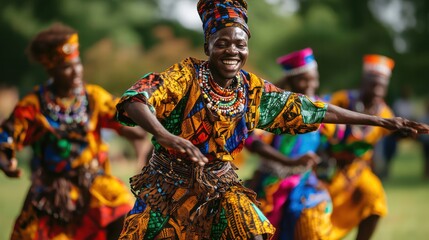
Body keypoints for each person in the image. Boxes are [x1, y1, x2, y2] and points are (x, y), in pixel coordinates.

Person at [115, 1, 429, 239]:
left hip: (220, 188)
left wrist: (381, 122)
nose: (232, 51)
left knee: (254, 230)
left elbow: (313, 109)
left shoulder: (251, 89)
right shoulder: (185, 75)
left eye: (240, 44)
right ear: (207, 45)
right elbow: (135, 100)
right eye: (222, 43)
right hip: (168, 189)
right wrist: (165, 135)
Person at [0, 23, 147, 240]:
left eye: (77, 64)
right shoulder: (34, 105)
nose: (76, 71)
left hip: (95, 187)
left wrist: (138, 130)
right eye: (67, 67)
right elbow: (7, 137)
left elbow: (127, 118)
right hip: (51, 194)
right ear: (51, 69)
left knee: (127, 214)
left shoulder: (93, 97)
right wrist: (6, 162)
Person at [245, 48, 335, 240]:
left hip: (305, 180)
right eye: (304, 80)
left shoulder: (320, 109)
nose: (311, 85)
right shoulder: (274, 110)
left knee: (311, 220)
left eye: (314, 79)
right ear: (290, 81)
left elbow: (331, 145)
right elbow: (252, 140)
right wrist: (289, 161)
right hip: (272, 179)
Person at [323, 54, 401, 239]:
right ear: (363, 81)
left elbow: (381, 142)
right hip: (327, 167)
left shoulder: (385, 113)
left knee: (375, 199)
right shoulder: (343, 100)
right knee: (319, 214)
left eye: (382, 85)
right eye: (373, 83)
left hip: (357, 170)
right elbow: (321, 123)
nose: (377, 89)